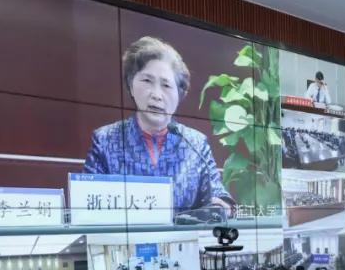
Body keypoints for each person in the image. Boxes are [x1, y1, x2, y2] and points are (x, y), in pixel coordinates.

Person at [84, 36, 234, 215]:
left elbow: (218, 194)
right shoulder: (106, 140)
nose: (156, 94)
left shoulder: (195, 143)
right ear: (131, 85)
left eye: (166, 85)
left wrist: (221, 206)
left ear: (179, 95)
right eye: (147, 81)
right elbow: (86, 205)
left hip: (182, 242)